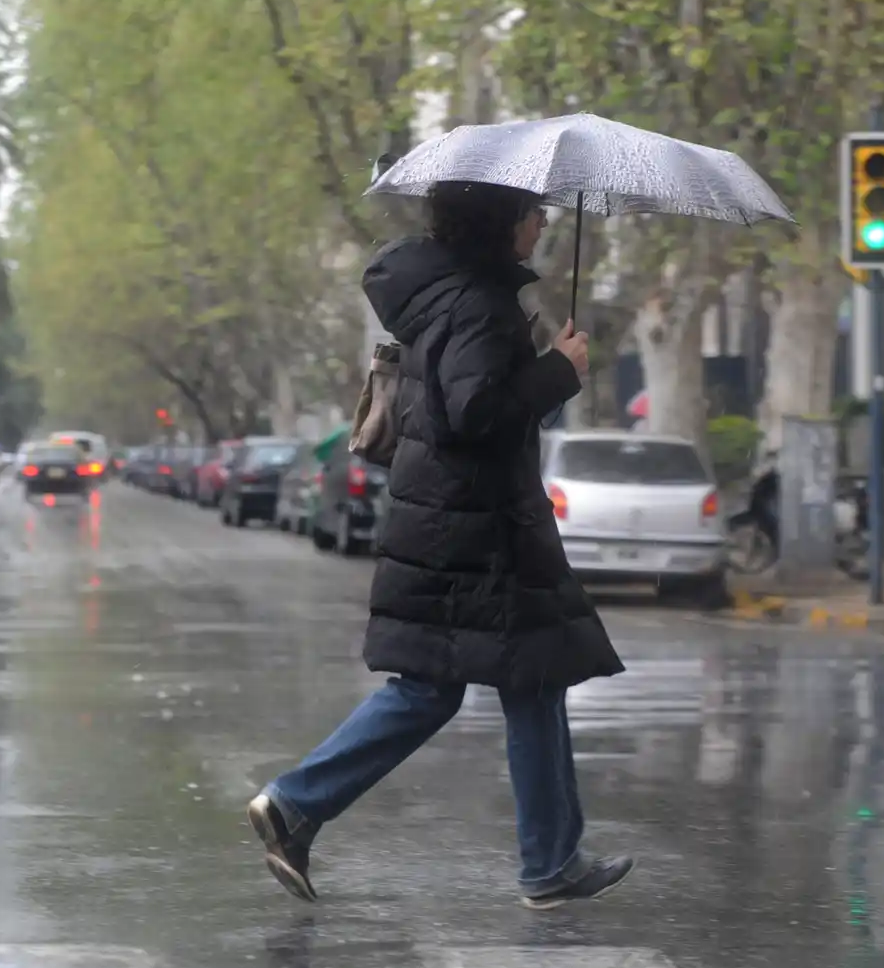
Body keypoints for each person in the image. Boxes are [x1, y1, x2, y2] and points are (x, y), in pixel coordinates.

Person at [248, 180, 633, 910]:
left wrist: (549, 373)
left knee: (515, 680)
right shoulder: (480, 304)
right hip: (477, 531)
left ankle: (549, 860)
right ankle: (299, 803)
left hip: (459, 522)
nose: (543, 222)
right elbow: (473, 413)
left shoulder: (451, 295)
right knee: (458, 684)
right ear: (503, 222)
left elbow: (474, 405)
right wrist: (558, 371)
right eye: (533, 212)